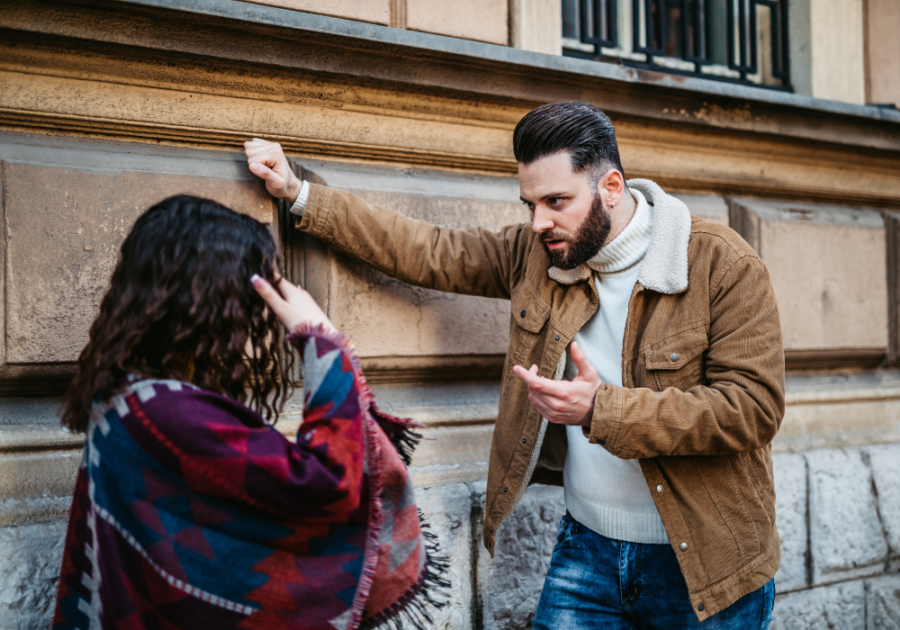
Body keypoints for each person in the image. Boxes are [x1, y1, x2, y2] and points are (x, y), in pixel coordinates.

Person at [245, 100, 785, 628]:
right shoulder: (537, 256)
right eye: (530, 204)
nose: (538, 223)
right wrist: (298, 193)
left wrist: (603, 409)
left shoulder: (721, 263)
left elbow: (753, 409)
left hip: (707, 566)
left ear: (612, 188)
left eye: (556, 201)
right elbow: (426, 248)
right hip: (588, 550)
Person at [53, 195, 447, 630]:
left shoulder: (123, 399)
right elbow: (327, 482)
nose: (249, 317)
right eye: (243, 295)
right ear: (209, 299)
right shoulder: (166, 413)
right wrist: (323, 342)